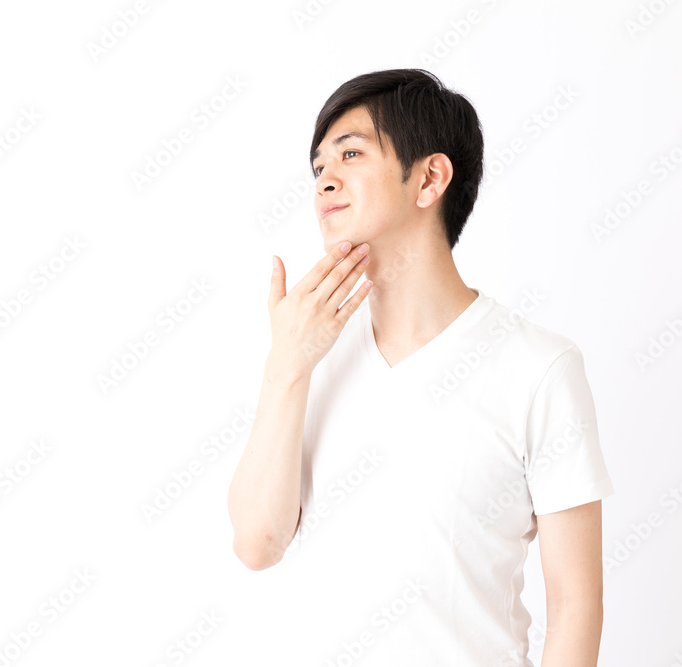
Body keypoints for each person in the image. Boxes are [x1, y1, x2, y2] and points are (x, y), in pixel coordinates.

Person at [227, 69, 615, 665]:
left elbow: (576, 606)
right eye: (317, 167)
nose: (324, 180)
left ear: (430, 177)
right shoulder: (308, 354)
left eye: (350, 153)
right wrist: (287, 367)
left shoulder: (540, 368)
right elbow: (257, 545)